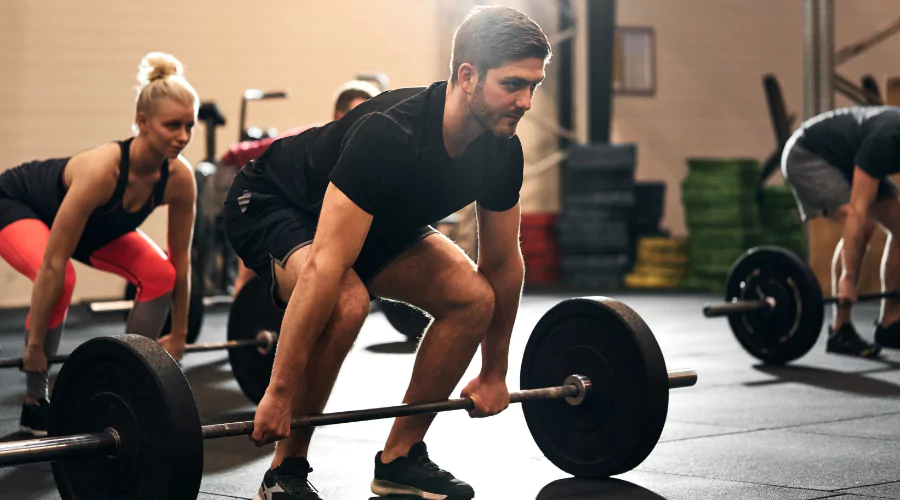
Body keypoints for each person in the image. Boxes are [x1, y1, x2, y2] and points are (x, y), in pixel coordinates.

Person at [224, 6, 550, 499]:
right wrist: (278, 393)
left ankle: (399, 459)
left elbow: (503, 263)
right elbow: (326, 267)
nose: (525, 101)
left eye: (534, 86)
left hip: (372, 220)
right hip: (274, 199)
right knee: (346, 300)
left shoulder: (501, 151)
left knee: (473, 299)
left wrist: (495, 372)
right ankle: (285, 471)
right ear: (467, 76)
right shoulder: (392, 135)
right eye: (512, 85)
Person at [0, 52, 199, 436]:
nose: (184, 136)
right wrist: (36, 348)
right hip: (18, 204)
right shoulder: (103, 169)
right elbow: (54, 265)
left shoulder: (180, 179)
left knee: (160, 273)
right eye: (172, 125)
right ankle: (34, 399)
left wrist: (179, 333)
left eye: (188, 125)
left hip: (87, 227)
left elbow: (181, 261)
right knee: (64, 278)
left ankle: (127, 379)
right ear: (142, 122)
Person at [226, 80, 381, 296]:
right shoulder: (309, 141)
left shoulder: (367, 156)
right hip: (260, 190)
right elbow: (259, 158)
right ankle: (241, 288)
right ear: (339, 116)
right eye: (362, 116)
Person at [782, 105, 900, 358]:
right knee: (860, 221)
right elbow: (858, 211)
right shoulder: (887, 138)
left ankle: (891, 322)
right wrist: (848, 278)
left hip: (847, 158)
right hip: (807, 154)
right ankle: (840, 328)